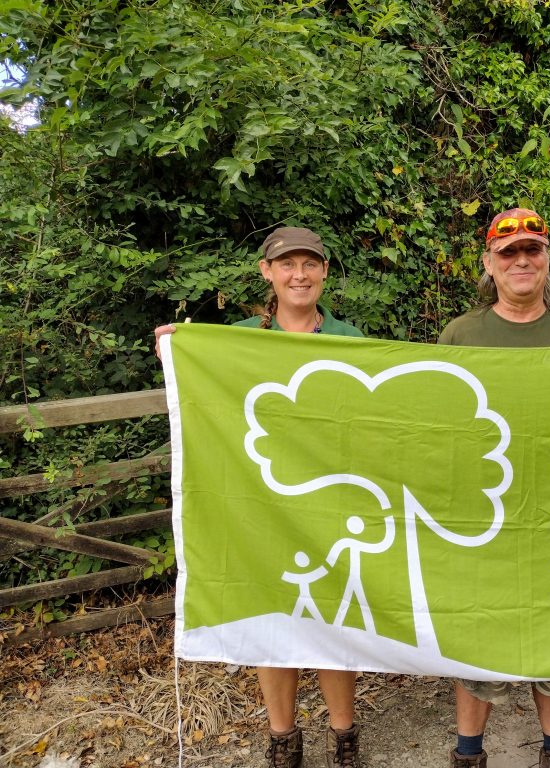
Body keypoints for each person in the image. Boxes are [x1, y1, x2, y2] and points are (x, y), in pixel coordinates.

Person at [155, 226, 366, 768]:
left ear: (324, 271)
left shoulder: (350, 339)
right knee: (274, 622)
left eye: (310, 264)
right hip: (263, 505)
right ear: (266, 271)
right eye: (287, 264)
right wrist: (183, 348)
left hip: (331, 503)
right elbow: (211, 398)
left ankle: (344, 738)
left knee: (332, 620)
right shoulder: (241, 338)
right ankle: (283, 739)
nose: (300, 274)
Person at [438, 208, 550, 768]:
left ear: (547, 258)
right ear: (489, 264)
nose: (521, 261)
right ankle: (469, 754)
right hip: (484, 514)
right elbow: (441, 427)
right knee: (476, 637)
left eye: (532, 249)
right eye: (508, 253)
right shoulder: (460, 334)